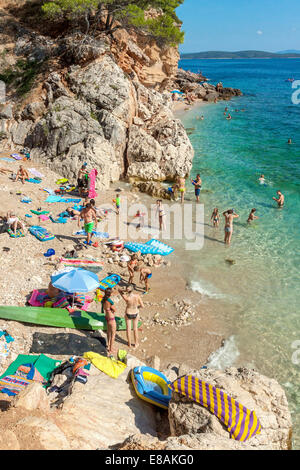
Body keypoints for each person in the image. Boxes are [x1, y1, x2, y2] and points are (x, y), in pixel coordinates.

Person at [101, 288, 116, 355]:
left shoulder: (103, 299)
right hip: (111, 317)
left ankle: (108, 344)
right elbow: (114, 309)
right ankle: (111, 349)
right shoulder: (109, 301)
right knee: (113, 334)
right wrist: (113, 310)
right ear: (110, 294)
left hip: (107, 316)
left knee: (108, 332)